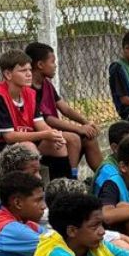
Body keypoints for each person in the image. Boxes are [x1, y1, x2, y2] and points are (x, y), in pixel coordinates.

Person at [0, 49, 66, 198]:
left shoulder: (29, 93)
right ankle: (32, 196)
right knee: (29, 147)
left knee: (61, 144)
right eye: (23, 70)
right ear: (8, 74)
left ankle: (61, 197)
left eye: (29, 69)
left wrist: (53, 134)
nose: (29, 73)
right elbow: (9, 137)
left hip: (21, 142)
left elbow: (39, 123)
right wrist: (46, 134)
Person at [28, 40, 100, 178]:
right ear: (40, 65)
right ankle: (71, 181)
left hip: (52, 133)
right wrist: (78, 128)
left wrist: (86, 123)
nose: (55, 65)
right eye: (52, 61)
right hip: (39, 136)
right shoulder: (28, 89)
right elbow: (47, 119)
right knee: (73, 138)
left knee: (89, 137)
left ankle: (106, 177)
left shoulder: (46, 84)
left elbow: (65, 108)